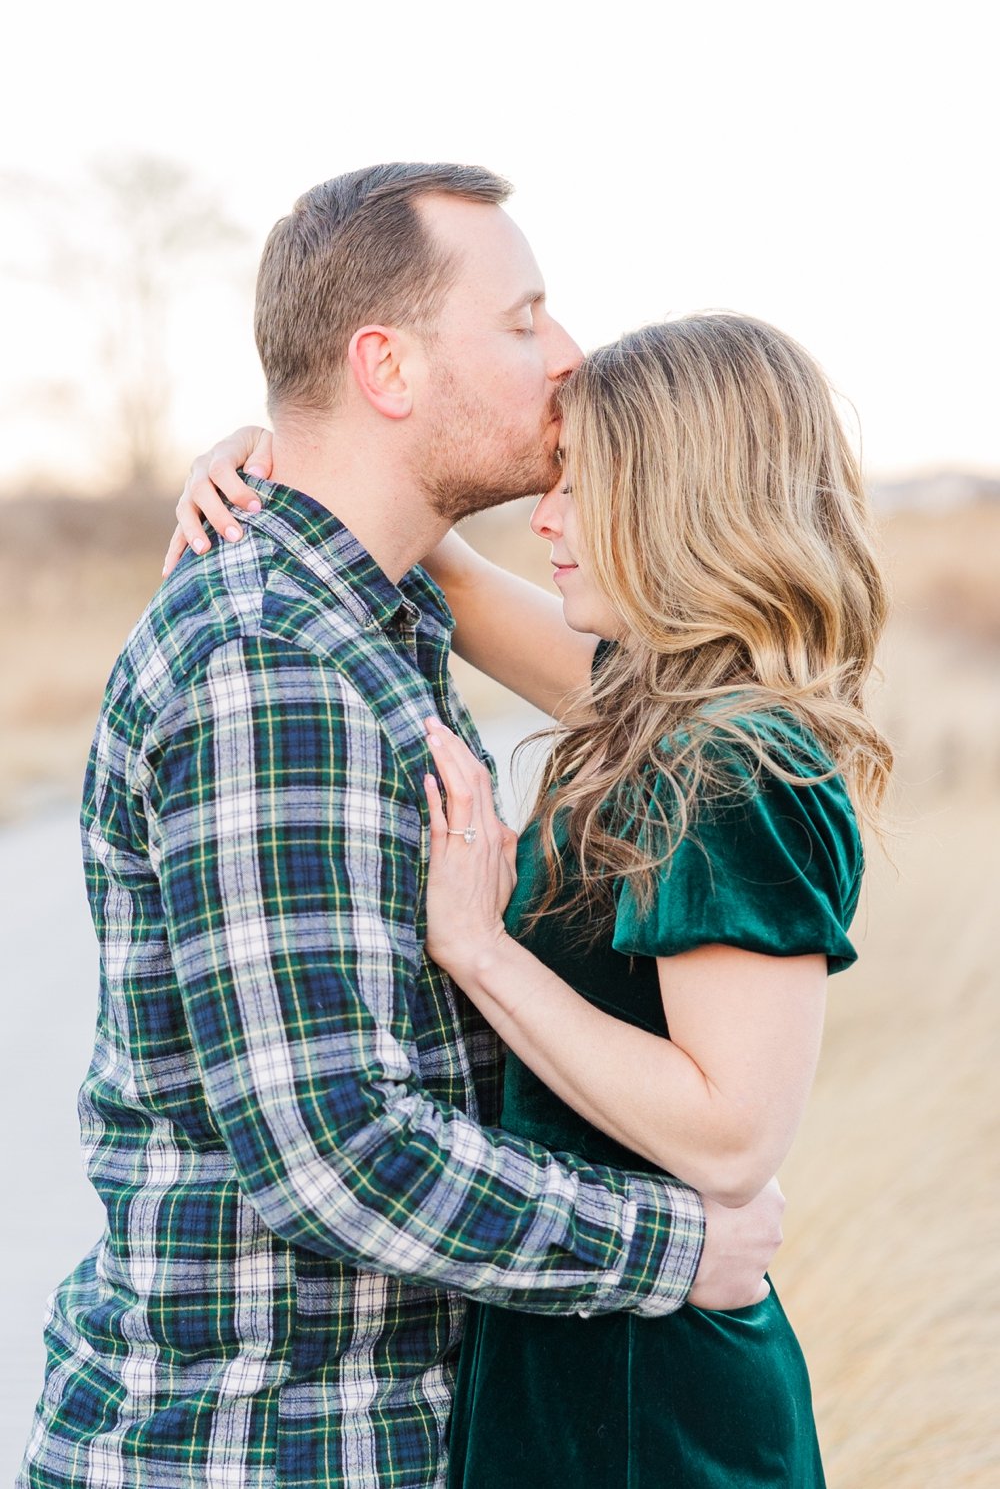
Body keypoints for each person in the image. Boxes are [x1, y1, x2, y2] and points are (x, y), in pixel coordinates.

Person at [18, 167, 783, 1489]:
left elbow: (702, 726)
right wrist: (675, 1249)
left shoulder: (380, 618)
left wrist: (297, 468)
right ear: (386, 365)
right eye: (523, 318)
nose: (566, 354)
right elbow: (336, 1156)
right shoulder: (275, 663)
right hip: (261, 1448)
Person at [171, 312, 891, 1486]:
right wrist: (274, 458)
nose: (545, 517)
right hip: (567, 1346)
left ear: (673, 502)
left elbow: (732, 1133)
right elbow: (425, 555)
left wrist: (477, 950)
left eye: (579, 486)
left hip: (649, 1398)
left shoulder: (736, 761)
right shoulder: (658, 708)